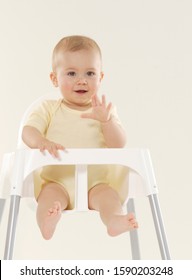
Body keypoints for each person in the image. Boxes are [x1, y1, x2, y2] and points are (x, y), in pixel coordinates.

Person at [22, 35, 138, 240]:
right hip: (57, 180)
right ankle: (46, 224)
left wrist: (106, 121)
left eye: (90, 73)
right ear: (54, 78)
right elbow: (28, 131)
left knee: (109, 199)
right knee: (48, 199)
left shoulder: (104, 111)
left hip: (96, 183)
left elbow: (118, 144)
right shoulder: (48, 109)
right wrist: (41, 141)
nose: (81, 80)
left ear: (100, 77)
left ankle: (114, 221)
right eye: (71, 73)